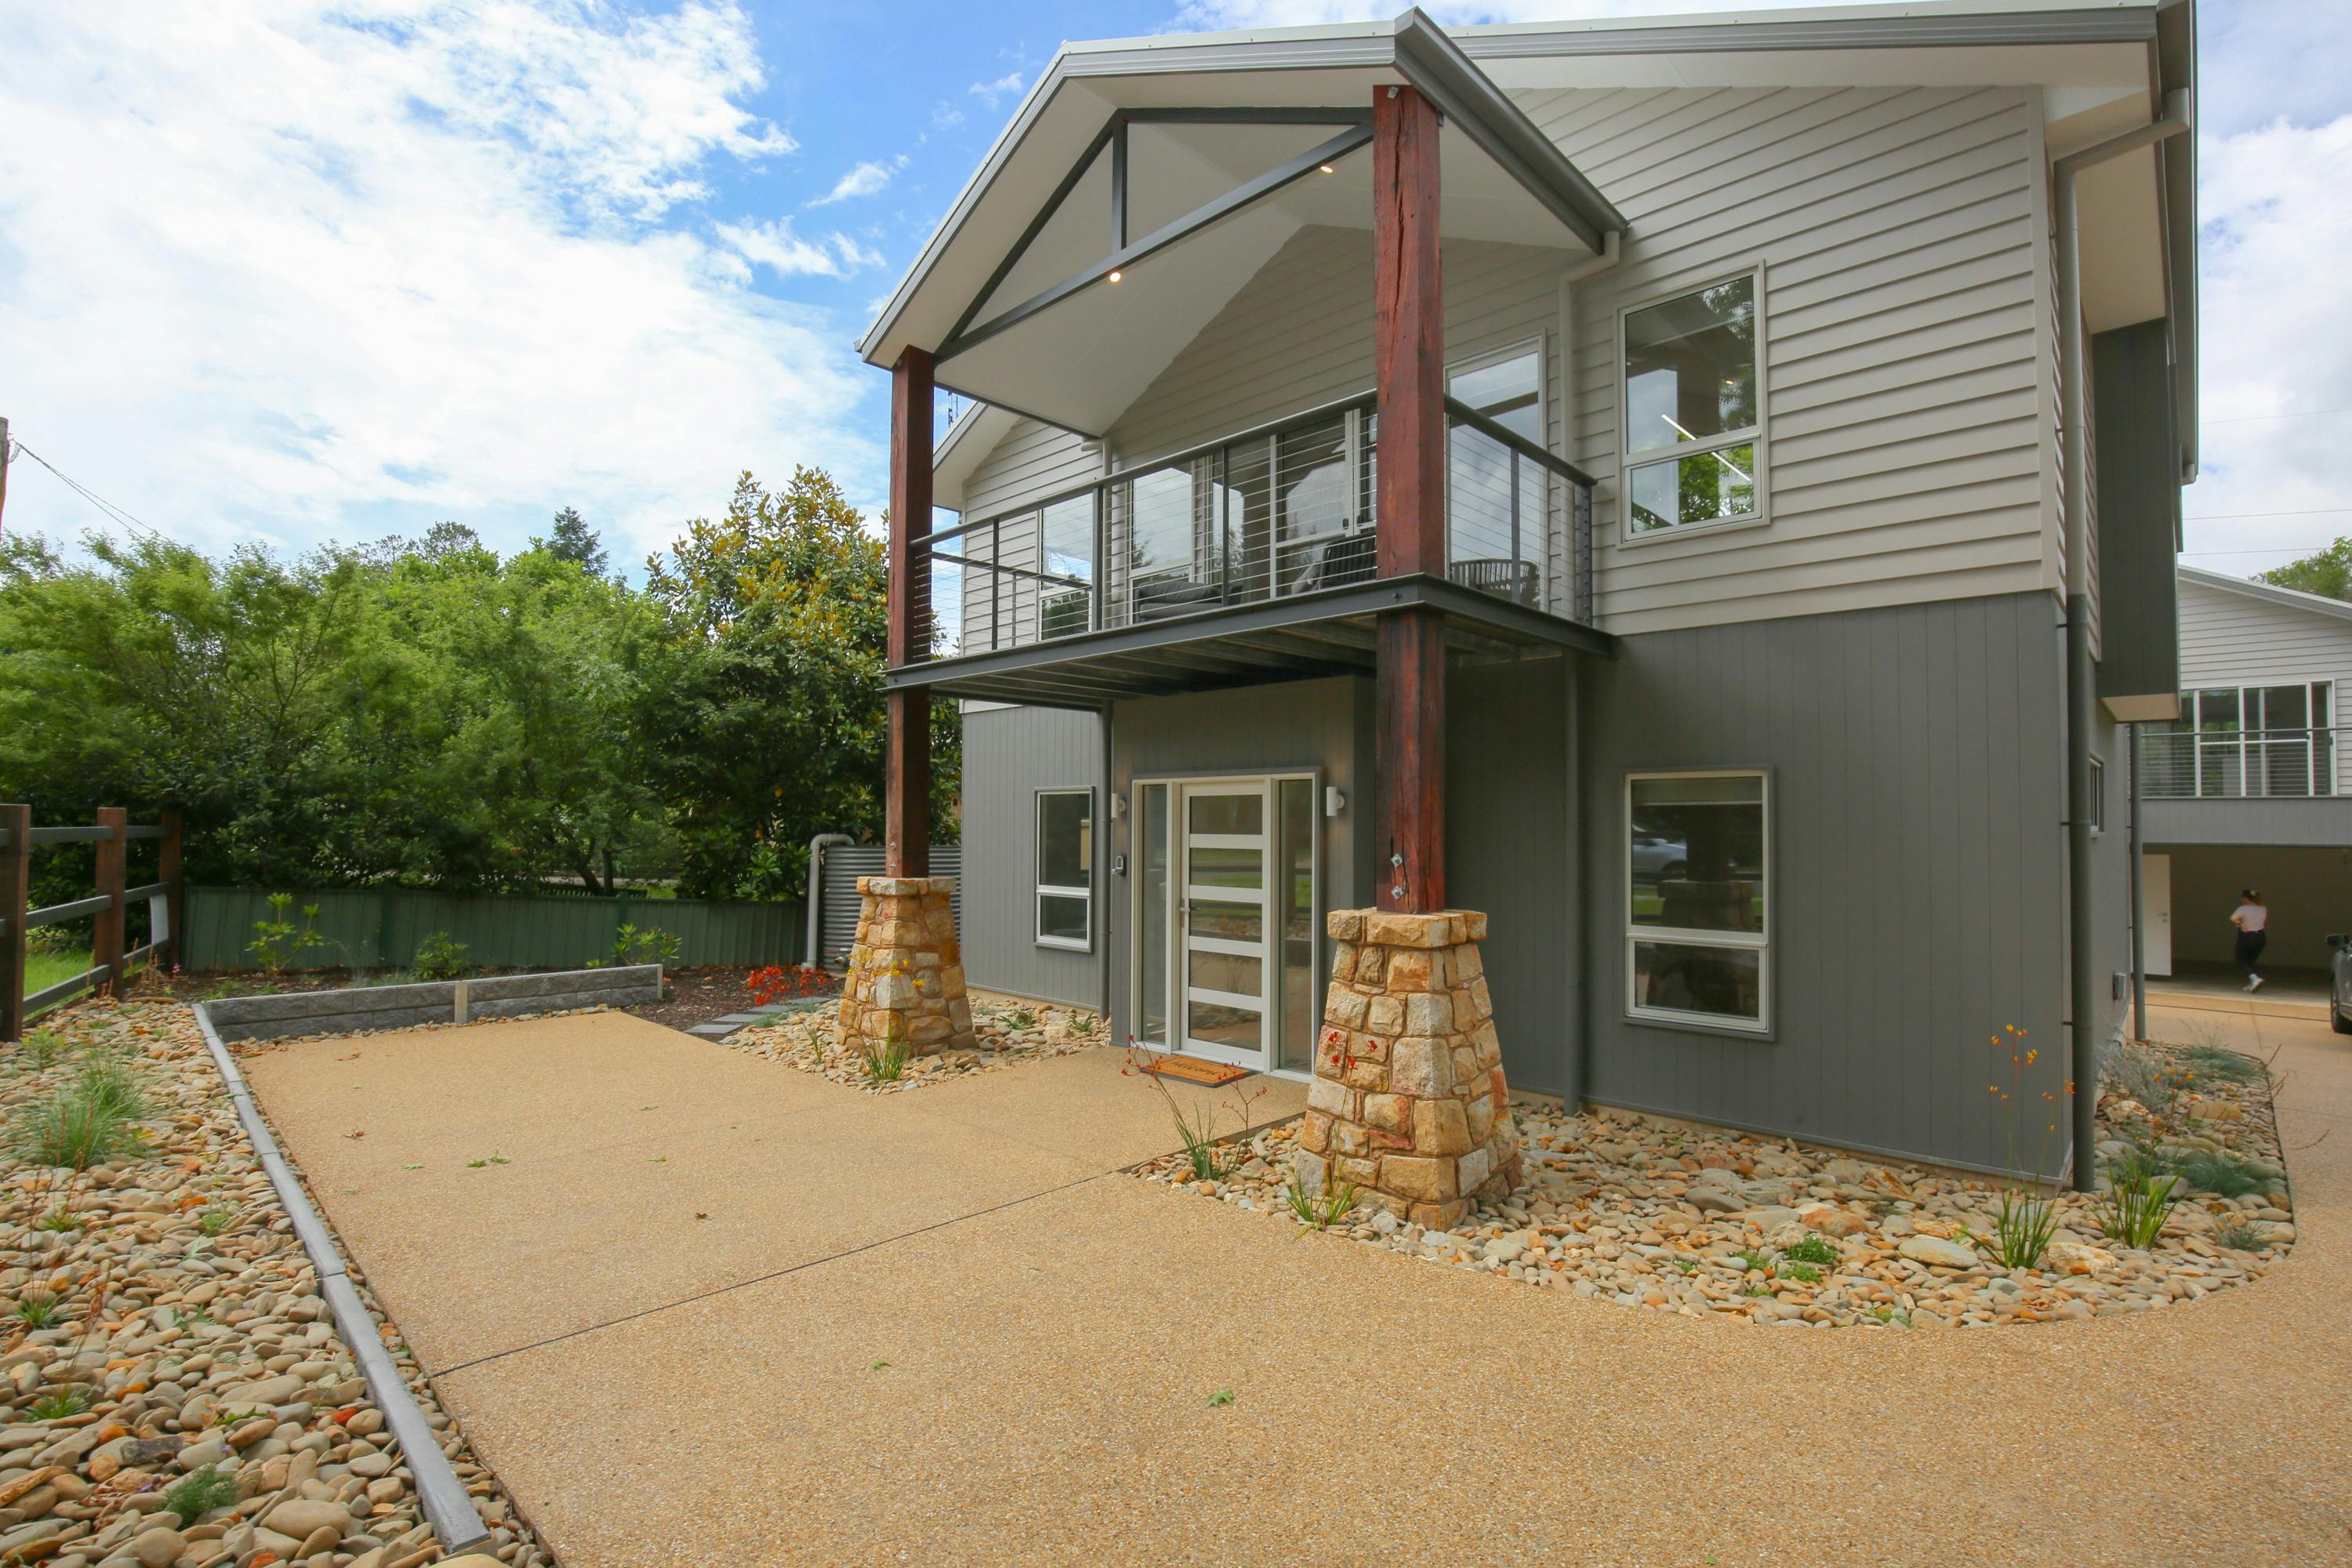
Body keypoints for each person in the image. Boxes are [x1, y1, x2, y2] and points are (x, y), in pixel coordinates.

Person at [2230, 888, 2269, 993]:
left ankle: (2255, 979)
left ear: (2246, 899)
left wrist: (2240, 925)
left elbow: (2233, 918)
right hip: (2260, 937)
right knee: (2252, 961)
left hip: (2247, 936)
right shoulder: (2263, 909)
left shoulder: (2243, 908)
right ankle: (2253, 983)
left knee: (2241, 960)